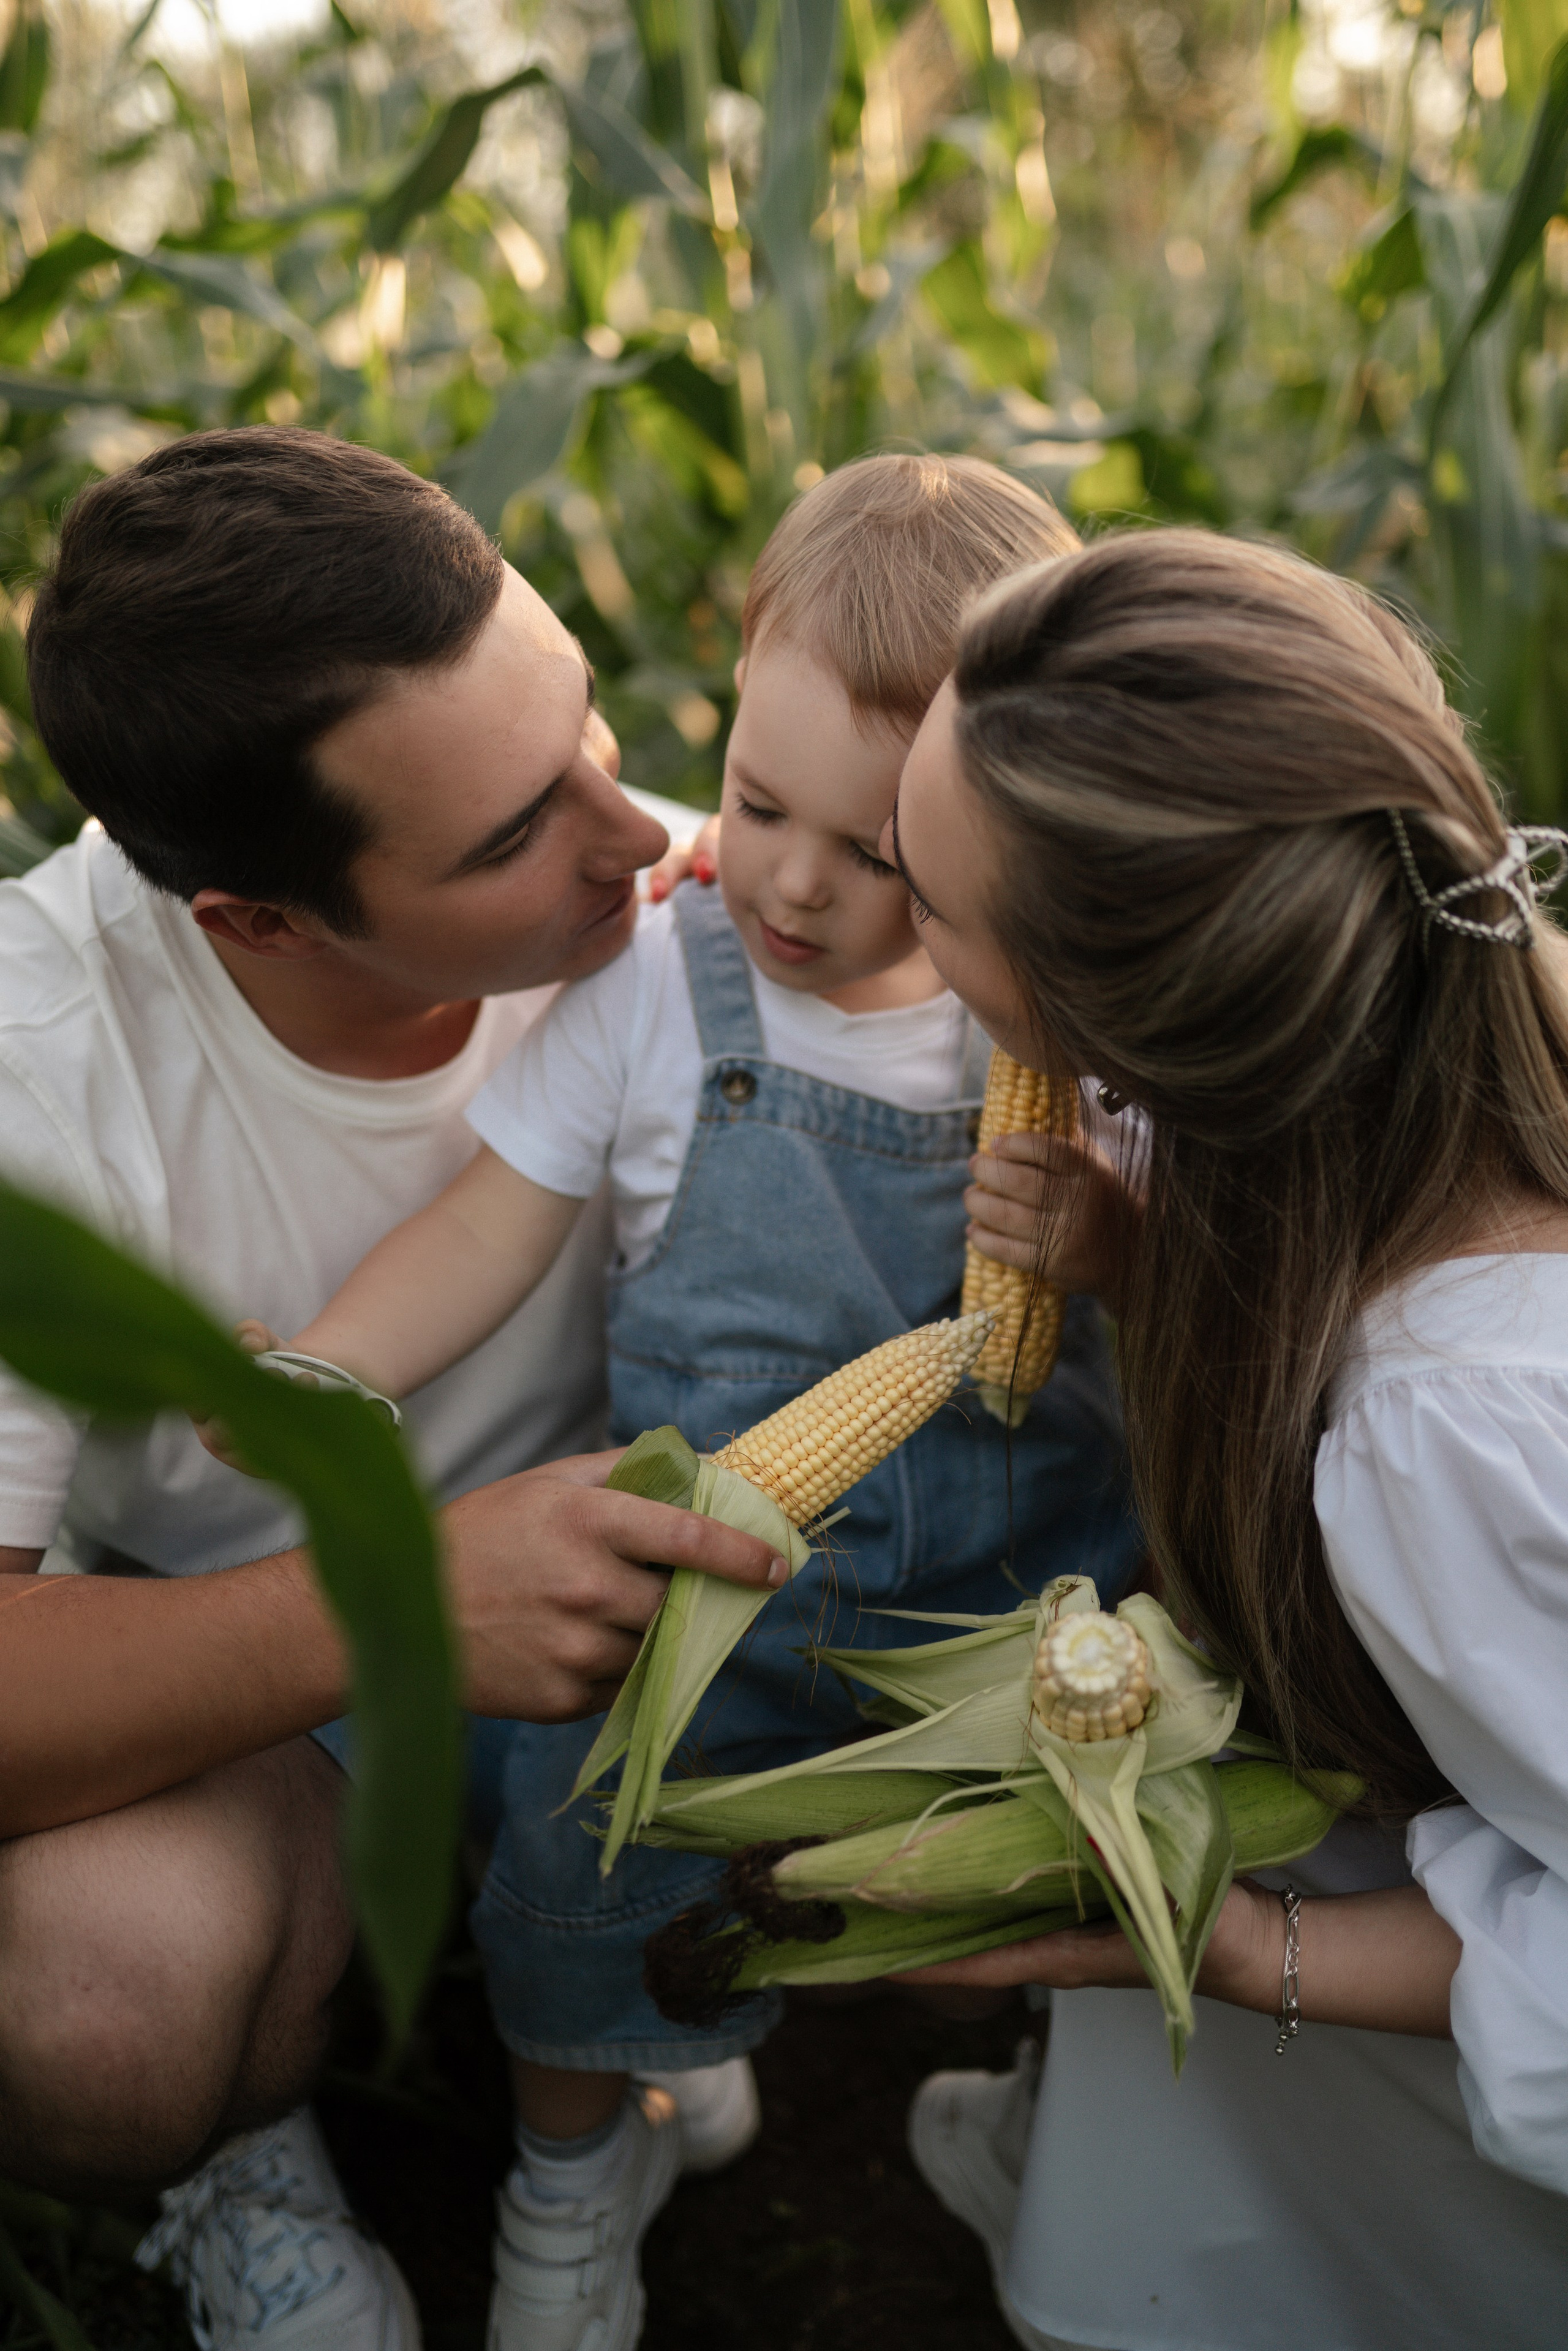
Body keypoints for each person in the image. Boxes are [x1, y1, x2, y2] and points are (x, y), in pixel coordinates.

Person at [216, 454, 1144, 2351]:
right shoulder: (660, 981)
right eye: (756, 801)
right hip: (705, 1592)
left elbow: (1214, 1304)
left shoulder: (1068, 1025)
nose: (792, 880)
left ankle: (1044, 2131)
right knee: (591, 1867)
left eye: (882, 853)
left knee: (1031, 1918)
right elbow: (491, 1223)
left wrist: (1111, 1246)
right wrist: (335, 1364)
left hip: (1003, 1615)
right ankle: (575, 2174)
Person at [0, 427, 787, 2351]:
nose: (632, 836)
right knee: (103, 2024)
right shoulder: (37, 1067)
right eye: (512, 836)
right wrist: (401, 1604)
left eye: (586, 725)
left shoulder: (702, 905)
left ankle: (594, 2007)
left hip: (632, 1624)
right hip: (249, 1680)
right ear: (255, 921)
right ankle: (243, 2147)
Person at [875, 529, 1568, 2350]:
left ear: (1118, 1030)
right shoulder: (1440, 1026)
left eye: (917, 896)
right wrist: (1139, 1264)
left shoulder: (1445, 1449)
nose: (881, 901)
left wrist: (1229, 1947)